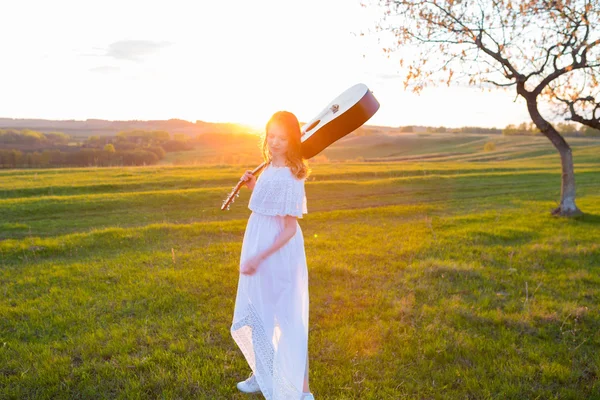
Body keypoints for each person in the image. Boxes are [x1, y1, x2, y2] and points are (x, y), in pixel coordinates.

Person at [230, 111, 314, 400]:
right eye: (271, 136)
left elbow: (289, 228)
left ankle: (303, 391)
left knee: (288, 317)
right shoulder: (269, 168)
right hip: (258, 247)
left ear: (293, 140)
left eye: (282, 137)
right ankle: (261, 372)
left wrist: (259, 257)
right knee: (260, 311)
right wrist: (255, 186)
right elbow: (267, 207)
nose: (275, 142)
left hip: (276, 253)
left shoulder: (293, 175)